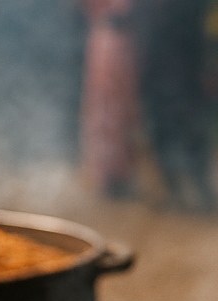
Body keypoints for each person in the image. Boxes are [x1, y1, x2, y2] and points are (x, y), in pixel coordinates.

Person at [133, 0, 218, 211]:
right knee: (164, 134)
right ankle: (176, 192)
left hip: (185, 72)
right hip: (162, 72)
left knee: (192, 132)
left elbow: (198, 33)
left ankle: (203, 192)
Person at [80, 0, 141, 198]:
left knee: (123, 110)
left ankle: (121, 173)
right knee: (106, 108)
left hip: (125, 37)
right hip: (108, 35)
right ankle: (109, 175)